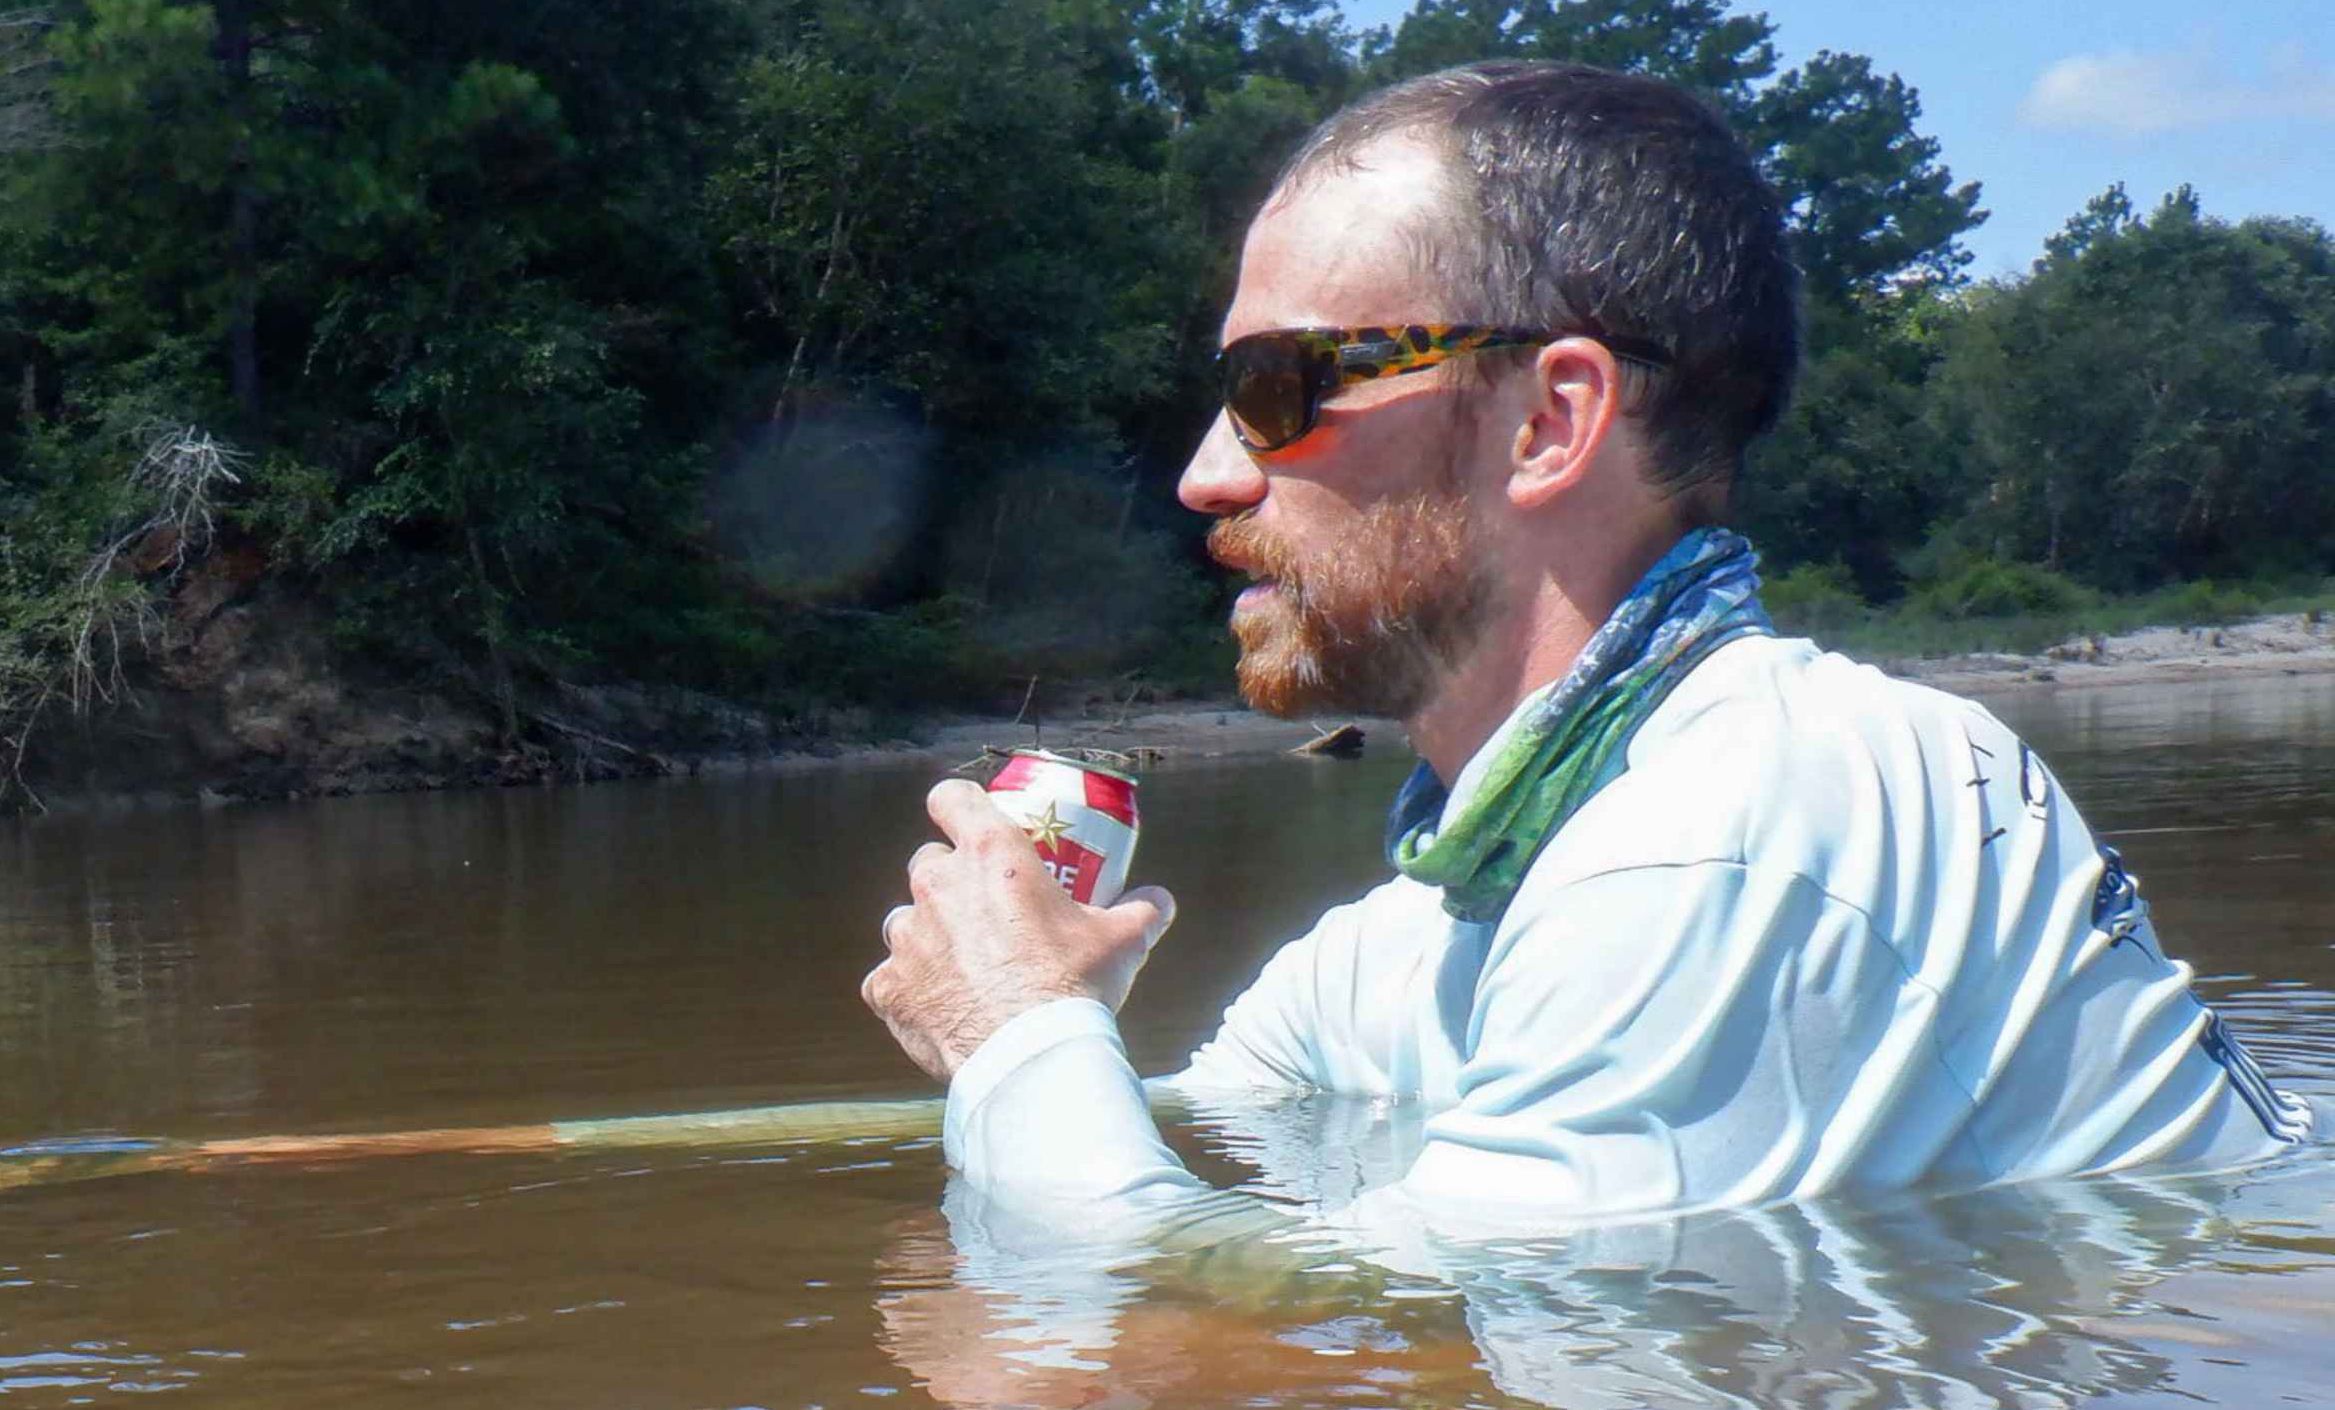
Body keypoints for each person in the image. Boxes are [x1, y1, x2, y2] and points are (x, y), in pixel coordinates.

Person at [860, 61, 2310, 1241]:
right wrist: (1049, 1032)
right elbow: (1203, 1166)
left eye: (1278, 386)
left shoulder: (1735, 831)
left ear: (1552, 422)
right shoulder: (1431, 930)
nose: (1205, 474)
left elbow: (1208, 1346)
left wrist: (1021, 1041)